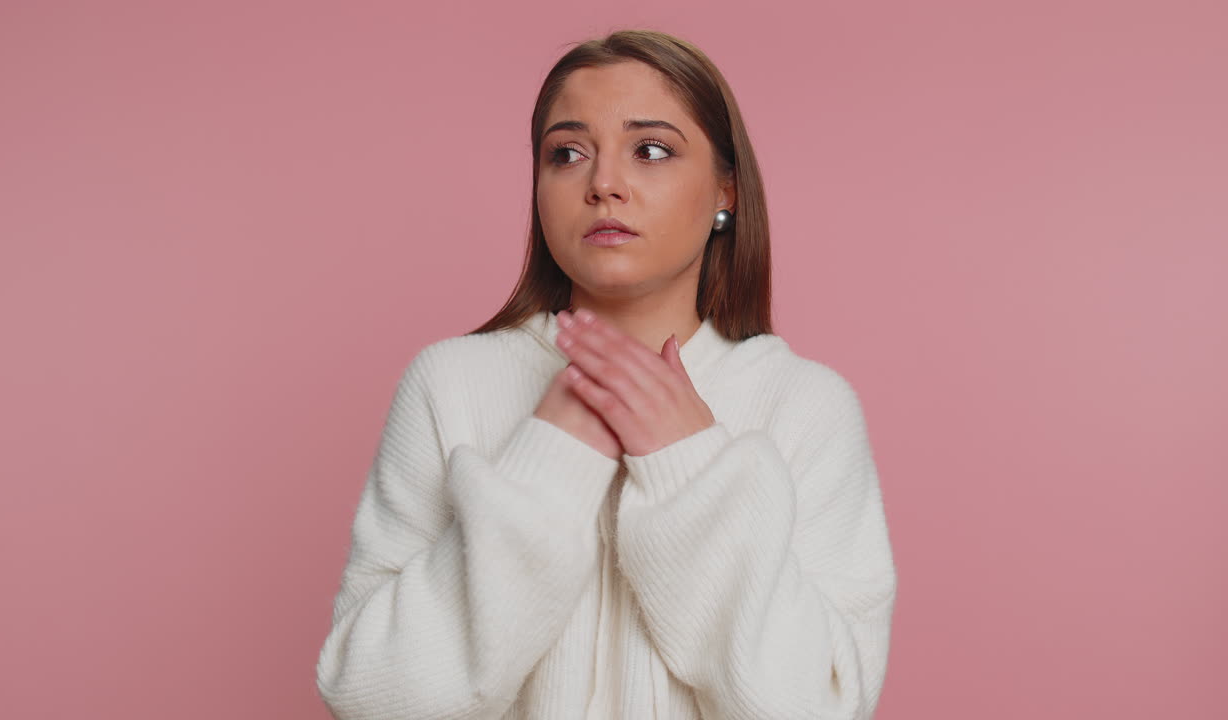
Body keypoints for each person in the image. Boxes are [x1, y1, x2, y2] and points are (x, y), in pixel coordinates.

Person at [315, 29, 898, 720]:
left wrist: (690, 466)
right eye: (567, 153)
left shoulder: (806, 406)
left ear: (727, 190)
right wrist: (548, 464)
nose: (603, 184)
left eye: (651, 150)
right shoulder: (449, 384)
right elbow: (369, 698)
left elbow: (820, 708)